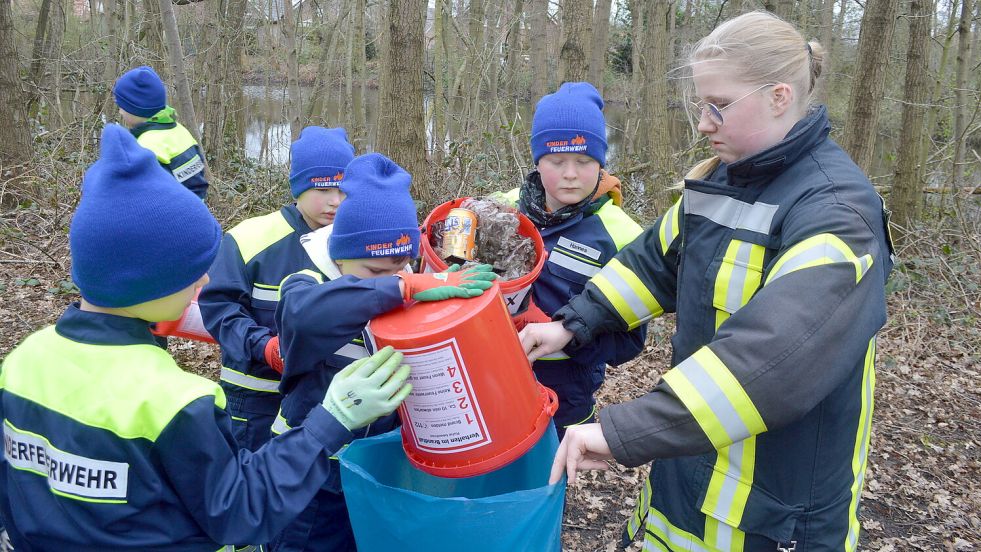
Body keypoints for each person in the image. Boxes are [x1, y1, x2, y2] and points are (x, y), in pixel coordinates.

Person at [521, 11, 894, 550]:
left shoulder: (837, 214)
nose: (703, 123)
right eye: (700, 104)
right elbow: (653, 263)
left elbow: (772, 361)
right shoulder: (720, 180)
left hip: (774, 511)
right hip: (687, 472)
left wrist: (624, 431)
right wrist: (571, 325)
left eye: (718, 106)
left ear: (779, 96)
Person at [0, 125, 413, 551]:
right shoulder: (175, 400)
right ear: (146, 280)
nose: (202, 279)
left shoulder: (21, 360)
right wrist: (333, 419)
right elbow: (241, 512)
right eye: (190, 270)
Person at [268, 152, 497, 552]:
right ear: (338, 255)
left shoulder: (414, 287)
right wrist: (403, 289)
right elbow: (303, 318)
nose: (390, 277)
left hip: (380, 474)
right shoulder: (304, 285)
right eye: (373, 271)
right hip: (310, 475)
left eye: (401, 266)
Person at [498, 82, 645, 439]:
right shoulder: (502, 209)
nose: (569, 174)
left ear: (600, 162)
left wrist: (567, 335)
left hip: (567, 390)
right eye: (556, 160)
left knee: (550, 476)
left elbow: (630, 341)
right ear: (537, 160)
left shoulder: (622, 235)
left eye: (583, 161)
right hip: (495, 372)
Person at [198, 126, 356, 452]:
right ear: (298, 187)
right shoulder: (249, 239)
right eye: (323, 189)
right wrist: (264, 347)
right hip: (255, 403)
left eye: (343, 189)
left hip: (328, 405)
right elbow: (219, 310)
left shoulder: (359, 245)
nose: (335, 201)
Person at [114, 65, 209, 199]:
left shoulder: (146, 146)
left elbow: (146, 196)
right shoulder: (180, 131)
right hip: (197, 208)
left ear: (136, 109)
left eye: (122, 106)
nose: (120, 111)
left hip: (172, 215)